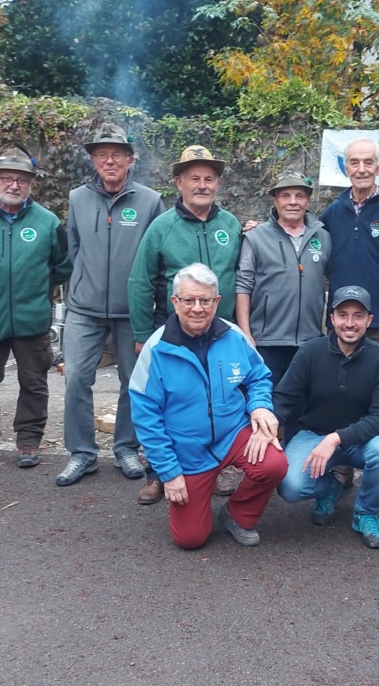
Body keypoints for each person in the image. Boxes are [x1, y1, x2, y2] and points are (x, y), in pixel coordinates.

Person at [128, 263, 288, 549]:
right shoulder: (156, 349)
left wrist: (260, 407)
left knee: (274, 462)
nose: (197, 308)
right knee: (190, 539)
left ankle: (237, 514)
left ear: (217, 302)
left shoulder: (234, 336)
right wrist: (169, 473)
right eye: (189, 300)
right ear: (175, 302)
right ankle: (193, 497)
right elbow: (146, 417)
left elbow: (259, 377)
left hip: (232, 435)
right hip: (187, 450)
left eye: (205, 300)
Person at [129, 145, 245, 501]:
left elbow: (243, 276)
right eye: (194, 178)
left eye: (209, 179)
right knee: (165, 402)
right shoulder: (161, 227)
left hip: (220, 330)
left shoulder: (231, 225)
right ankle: (157, 473)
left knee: (219, 398)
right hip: (173, 330)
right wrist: (141, 333)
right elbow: (140, 280)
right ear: (178, 182)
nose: (202, 185)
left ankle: (220, 465)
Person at [60, 124, 165, 496]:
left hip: (132, 311)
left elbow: (157, 258)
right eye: (102, 154)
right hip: (84, 309)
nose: (109, 160)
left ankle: (126, 448)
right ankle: (82, 452)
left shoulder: (151, 201)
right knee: (75, 378)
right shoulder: (77, 198)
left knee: (133, 384)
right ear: (92, 158)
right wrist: (86, 285)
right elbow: (74, 250)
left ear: (130, 159)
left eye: (117, 154)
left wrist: (145, 305)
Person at [0, 147, 72, 469]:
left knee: (34, 383)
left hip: (31, 321)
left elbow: (63, 267)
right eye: (7, 178)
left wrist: (37, 293)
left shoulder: (47, 222)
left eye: (22, 179)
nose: (14, 185)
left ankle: (28, 441)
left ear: (31, 184)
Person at [317, 138, 379, 471]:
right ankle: (344, 464)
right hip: (344, 320)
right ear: (345, 168)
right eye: (354, 162)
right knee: (342, 389)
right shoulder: (333, 213)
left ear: (378, 167)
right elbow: (303, 237)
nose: (361, 168)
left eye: (368, 162)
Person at [274, 285, 379, 549]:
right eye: (343, 315)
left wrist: (337, 438)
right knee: (289, 486)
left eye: (358, 316)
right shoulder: (311, 351)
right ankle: (330, 489)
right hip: (314, 434)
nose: (350, 323)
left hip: (364, 440)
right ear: (331, 319)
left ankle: (366, 512)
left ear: (369, 320)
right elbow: (283, 397)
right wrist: (270, 425)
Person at [235, 171, 331, 385]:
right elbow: (243, 285)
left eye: (299, 195)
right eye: (285, 195)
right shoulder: (256, 237)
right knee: (266, 404)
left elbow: (332, 280)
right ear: (275, 200)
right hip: (266, 342)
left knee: (301, 407)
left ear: (308, 200)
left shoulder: (322, 236)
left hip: (309, 341)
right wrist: (245, 334)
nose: (293, 202)